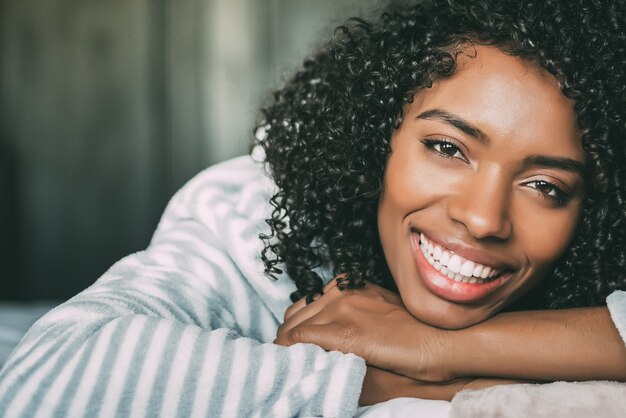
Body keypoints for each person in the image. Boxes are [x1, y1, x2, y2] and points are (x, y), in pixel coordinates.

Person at [1, 0, 625, 417]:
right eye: (446, 147)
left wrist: (440, 350)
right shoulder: (251, 213)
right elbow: (46, 380)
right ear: (374, 138)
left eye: (546, 186)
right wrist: (395, 385)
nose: (484, 218)